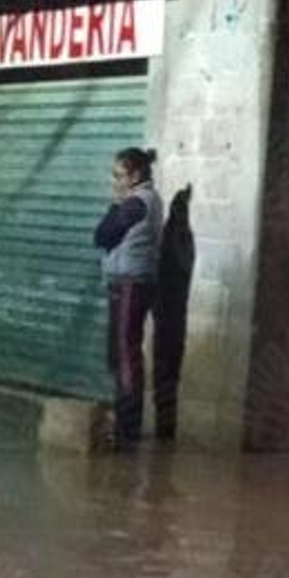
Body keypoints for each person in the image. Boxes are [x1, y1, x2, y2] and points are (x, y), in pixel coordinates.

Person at [93, 147, 164, 450]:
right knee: (120, 354)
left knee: (125, 356)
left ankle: (127, 430)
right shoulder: (144, 200)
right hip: (129, 284)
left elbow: (102, 235)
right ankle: (123, 422)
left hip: (130, 285)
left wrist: (113, 206)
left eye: (119, 175)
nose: (114, 182)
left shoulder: (136, 202)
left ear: (135, 175)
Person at [153, 185, 195, 443]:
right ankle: (165, 423)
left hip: (167, 312)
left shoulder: (173, 235)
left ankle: (165, 424)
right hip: (174, 311)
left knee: (165, 368)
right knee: (169, 368)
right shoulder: (181, 235)